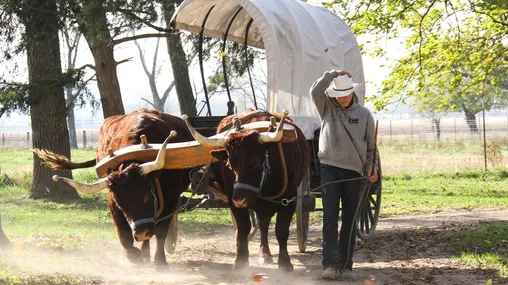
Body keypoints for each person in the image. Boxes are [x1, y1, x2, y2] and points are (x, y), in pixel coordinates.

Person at [310, 70, 378, 281]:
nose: (342, 97)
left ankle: (346, 266)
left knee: (349, 220)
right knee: (330, 218)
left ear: (352, 92)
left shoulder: (365, 114)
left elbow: (371, 148)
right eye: (339, 93)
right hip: (330, 169)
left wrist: (371, 169)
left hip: (354, 173)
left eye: (346, 92)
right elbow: (315, 90)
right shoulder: (327, 108)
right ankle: (329, 265)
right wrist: (332, 74)